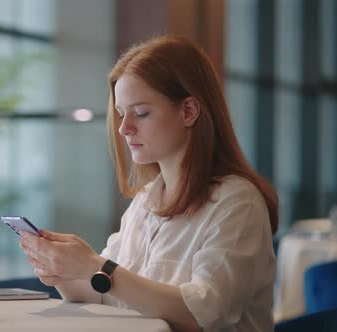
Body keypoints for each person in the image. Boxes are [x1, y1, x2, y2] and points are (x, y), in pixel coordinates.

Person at [19, 35, 278, 332]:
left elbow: (202, 314)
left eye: (140, 113)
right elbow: (107, 294)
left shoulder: (237, 203)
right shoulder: (146, 201)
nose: (124, 128)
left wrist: (96, 267)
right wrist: (63, 271)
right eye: (120, 114)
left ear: (189, 111)